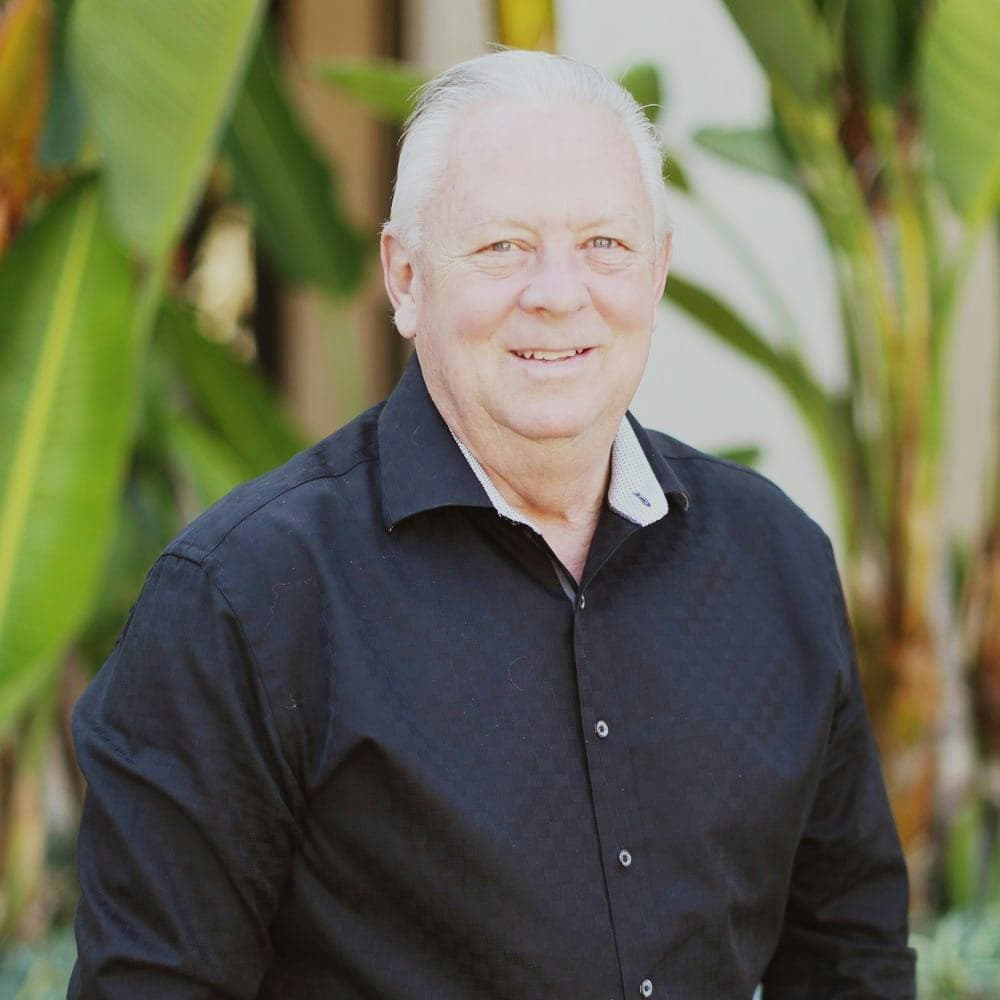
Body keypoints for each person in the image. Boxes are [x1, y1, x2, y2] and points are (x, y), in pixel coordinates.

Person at [68, 48, 916, 999]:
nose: (558, 292)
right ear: (405, 277)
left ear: (659, 272)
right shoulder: (243, 602)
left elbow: (852, 960)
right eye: (502, 245)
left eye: (605, 244)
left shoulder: (776, 562)